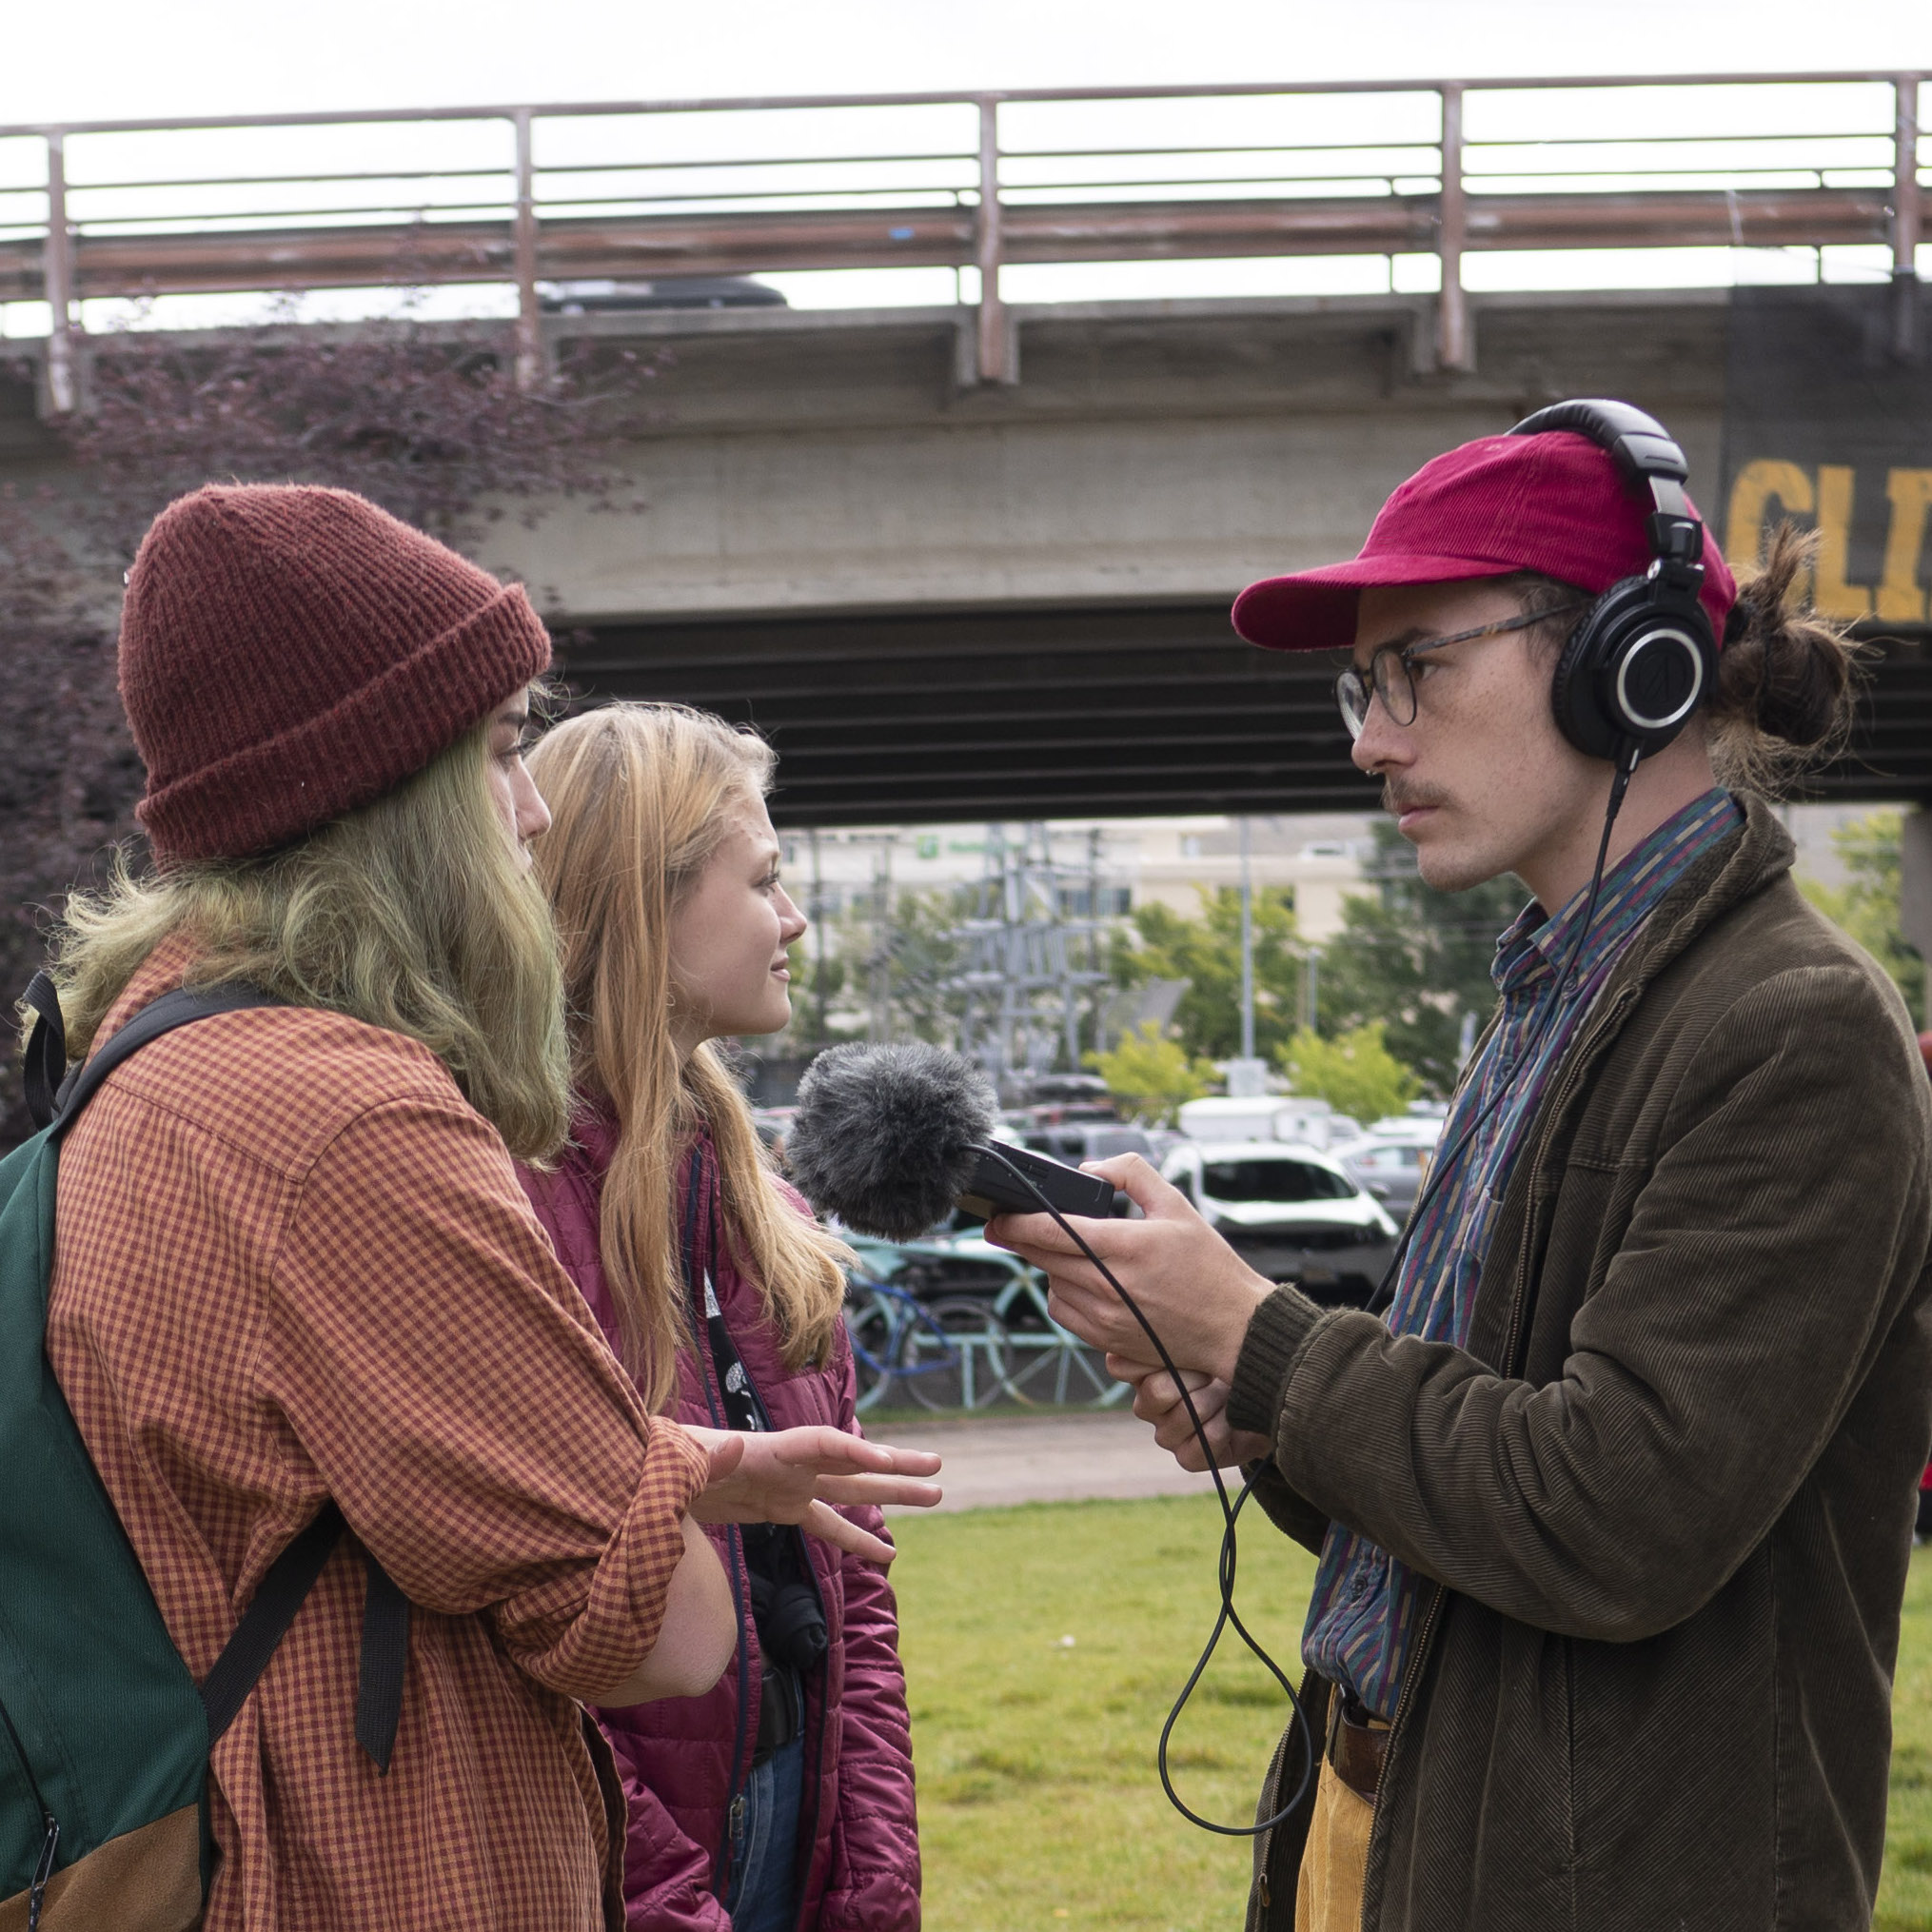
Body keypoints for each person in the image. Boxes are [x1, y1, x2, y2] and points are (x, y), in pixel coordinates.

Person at [990, 409, 1932, 1932]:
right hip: (1388, 1825)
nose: (1369, 737)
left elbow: (1614, 1512)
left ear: (1624, 662)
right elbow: (1470, 1478)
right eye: (1362, 687)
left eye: (1415, 668)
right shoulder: (1555, 996)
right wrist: (1268, 1419)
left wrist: (1261, 1335)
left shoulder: (1790, 1028)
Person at [37, 484, 936, 1931]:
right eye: (506, 752)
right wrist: (655, 1486)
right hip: (374, 1872)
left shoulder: (140, 1067)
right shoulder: (350, 1116)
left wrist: (674, 1465)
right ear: (384, 784)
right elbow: (667, 1630)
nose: (530, 815)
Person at [516, 702, 923, 1932]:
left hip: (787, 1823)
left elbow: (857, 1599)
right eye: (764, 879)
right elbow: (527, 1648)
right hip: (625, 1867)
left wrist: (873, 1886)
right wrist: (666, 1901)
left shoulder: (767, 1215)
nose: (793, 919)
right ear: (645, 902)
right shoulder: (504, 1197)